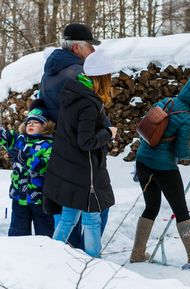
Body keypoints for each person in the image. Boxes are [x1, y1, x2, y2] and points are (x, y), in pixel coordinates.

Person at [130, 76, 190, 265]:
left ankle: (137, 253)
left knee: (151, 207)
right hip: (164, 168)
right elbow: (181, 152)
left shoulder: (165, 102)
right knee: (181, 210)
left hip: (142, 162)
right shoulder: (188, 119)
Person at [39, 22, 110, 249]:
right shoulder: (80, 73)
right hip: (82, 149)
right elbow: (92, 112)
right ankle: (85, 257)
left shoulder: (48, 73)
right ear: (77, 48)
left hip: (59, 149)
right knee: (97, 205)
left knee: (65, 203)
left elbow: (43, 106)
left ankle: (64, 254)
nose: (93, 51)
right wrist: (106, 134)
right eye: (90, 46)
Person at [0, 100, 55, 237]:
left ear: (45, 126)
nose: (31, 124)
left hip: (39, 198)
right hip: (18, 196)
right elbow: (4, 136)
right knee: (18, 233)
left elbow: (44, 166)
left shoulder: (48, 145)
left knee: (44, 234)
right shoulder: (19, 140)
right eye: (29, 122)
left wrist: (23, 158)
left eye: (36, 122)